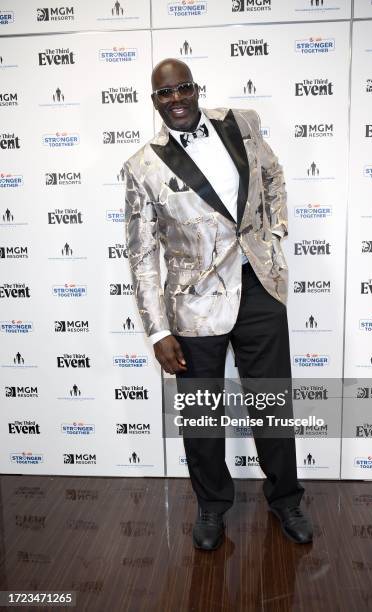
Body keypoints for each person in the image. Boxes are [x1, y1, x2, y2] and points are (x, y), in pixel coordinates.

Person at [124, 58, 313, 550]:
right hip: (194, 303)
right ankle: (211, 508)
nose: (176, 99)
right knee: (202, 417)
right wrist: (158, 331)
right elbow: (142, 255)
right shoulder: (142, 166)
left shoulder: (240, 124)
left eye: (183, 88)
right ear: (154, 100)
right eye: (165, 93)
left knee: (272, 402)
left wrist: (274, 234)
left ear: (196, 89)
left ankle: (286, 500)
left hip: (258, 288)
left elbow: (273, 177)